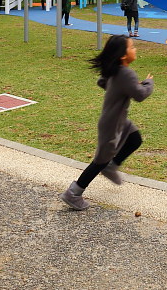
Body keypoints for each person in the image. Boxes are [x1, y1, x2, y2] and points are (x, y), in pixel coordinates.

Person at [60, 35, 153, 210]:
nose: (135, 50)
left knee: (135, 139)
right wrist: (148, 83)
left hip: (118, 121)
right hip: (112, 125)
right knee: (100, 161)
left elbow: (102, 82)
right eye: (132, 47)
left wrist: (125, 87)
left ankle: (112, 166)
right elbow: (140, 95)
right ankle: (73, 193)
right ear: (123, 55)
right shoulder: (125, 72)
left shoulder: (116, 71)